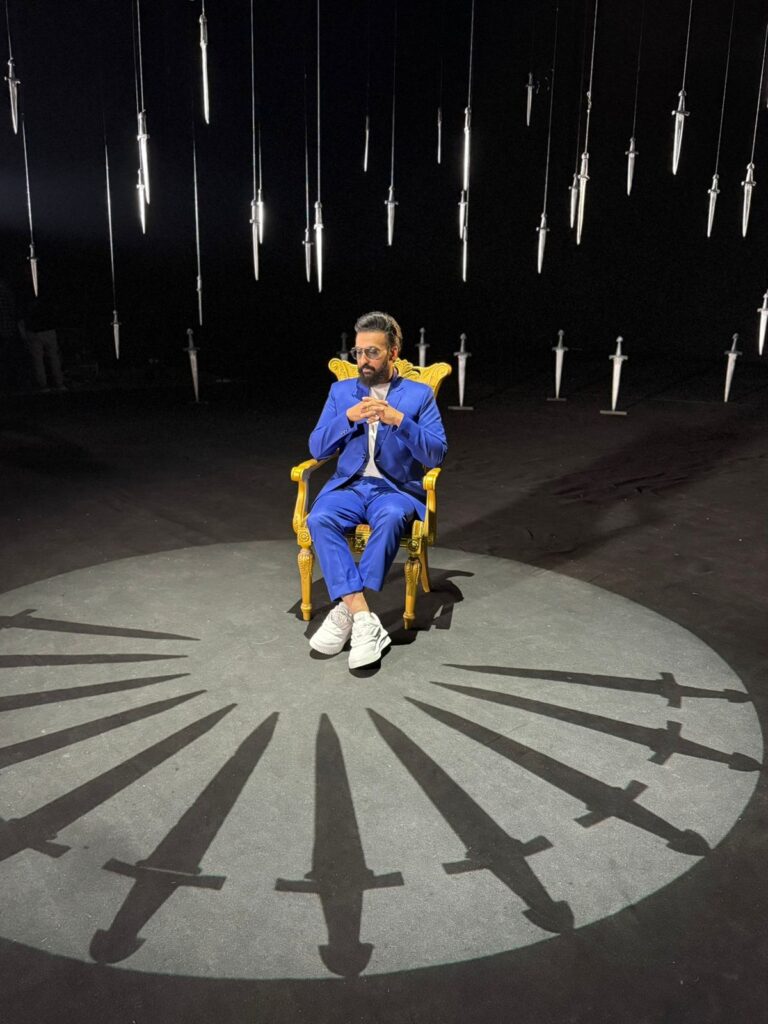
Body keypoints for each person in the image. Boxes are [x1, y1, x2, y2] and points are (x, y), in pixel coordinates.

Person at [306, 311, 448, 668]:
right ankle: (363, 616)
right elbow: (317, 447)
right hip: (350, 486)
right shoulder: (341, 392)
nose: (363, 360)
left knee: (392, 515)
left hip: (395, 489)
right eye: (358, 352)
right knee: (319, 517)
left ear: (393, 353)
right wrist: (348, 417)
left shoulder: (418, 395)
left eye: (372, 352)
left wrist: (398, 420)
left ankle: (345, 611)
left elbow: (436, 453)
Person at [18, 294, 65, 392]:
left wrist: (24, 334)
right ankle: (59, 383)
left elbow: (22, 319)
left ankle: (43, 385)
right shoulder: (47, 302)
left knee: (38, 361)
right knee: (54, 358)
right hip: (49, 330)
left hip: (34, 332)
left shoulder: (27, 304)